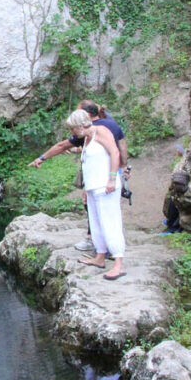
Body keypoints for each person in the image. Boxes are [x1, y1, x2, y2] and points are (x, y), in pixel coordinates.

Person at [36, 109, 126, 279]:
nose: (72, 132)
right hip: (93, 187)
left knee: (110, 222)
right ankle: (100, 256)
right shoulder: (87, 138)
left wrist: (112, 179)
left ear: (81, 125)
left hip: (105, 186)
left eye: (73, 129)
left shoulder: (101, 131)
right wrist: (86, 189)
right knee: (96, 223)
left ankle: (118, 264)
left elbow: (115, 152)